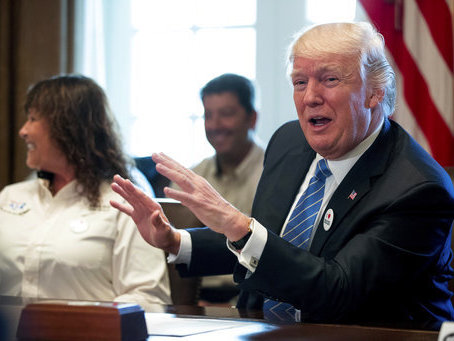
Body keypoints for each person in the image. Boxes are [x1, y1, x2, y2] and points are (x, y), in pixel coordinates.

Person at [110, 22, 454, 330]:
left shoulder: (417, 189)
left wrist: (238, 226)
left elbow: (338, 291)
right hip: (260, 328)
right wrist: (174, 240)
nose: (310, 97)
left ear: (375, 92)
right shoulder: (290, 142)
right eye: (300, 82)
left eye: (330, 79)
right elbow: (270, 241)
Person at [0, 75, 171, 307]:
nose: (23, 131)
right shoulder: (11, 197)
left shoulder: (123, 205)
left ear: (67, 128)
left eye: (33, 119)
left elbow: (147, 298)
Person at [170, 73, 265, 305]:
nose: (214, 125)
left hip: (252, 304)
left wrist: (230, 306)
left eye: (226, 114)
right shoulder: (190, 177)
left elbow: (274, 256)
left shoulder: (274, 174)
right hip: (191, 302)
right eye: (208, 115)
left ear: (251, 118)